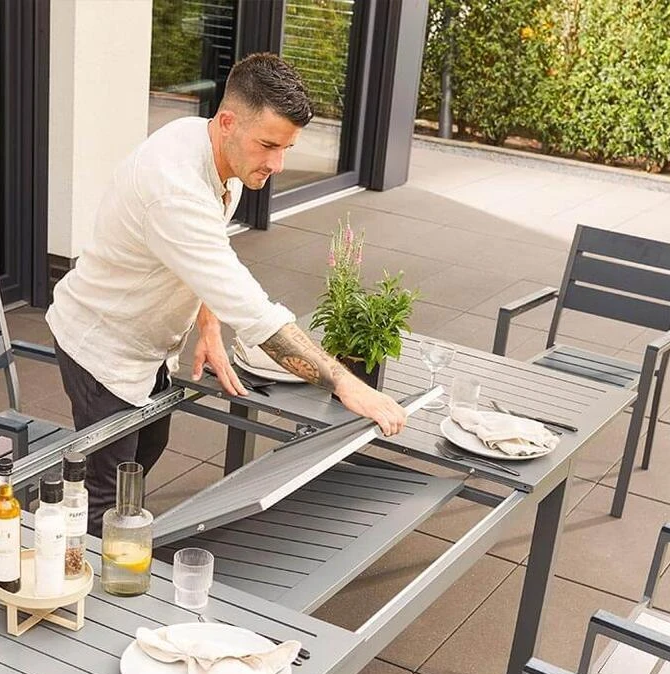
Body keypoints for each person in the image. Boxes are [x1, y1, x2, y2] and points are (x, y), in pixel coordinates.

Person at [47, 52, 407, 535]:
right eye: (268, 145)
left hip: (148, 343)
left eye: (287, 148)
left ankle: (72, 516)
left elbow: (203, 259)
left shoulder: (216, 153)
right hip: (101, 348)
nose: (277, 164)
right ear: (228, 122)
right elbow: (255, 313)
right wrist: (347, 385)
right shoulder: (174, 188)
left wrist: (209, 328)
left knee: (147, 449)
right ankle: (76, 560)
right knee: (108, 493)